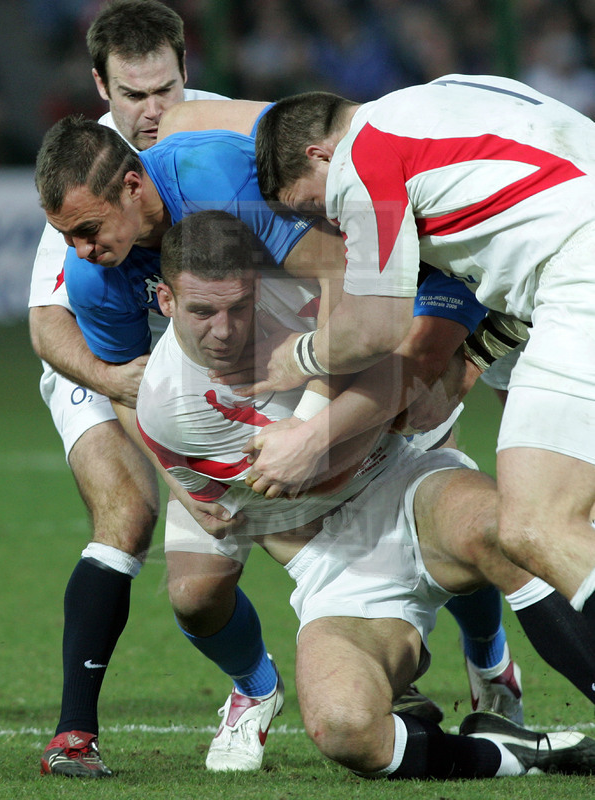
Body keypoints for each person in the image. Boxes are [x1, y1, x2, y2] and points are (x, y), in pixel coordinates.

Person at [34, 105, 546, 727]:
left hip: (358, 334)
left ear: (133, 186)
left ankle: (489, 661)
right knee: (194, 593)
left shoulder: (214, 178)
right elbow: (128, 385)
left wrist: (310, 423)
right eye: (67, 237)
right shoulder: (92, 277)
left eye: (88, 229)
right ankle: (262, 688)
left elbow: (342, 275)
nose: (81, 251)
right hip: (238, 391)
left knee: (443, 481)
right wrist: (178, 481)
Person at [135, 209, 595, 781]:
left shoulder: (314, 290)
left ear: (260, 286)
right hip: (330, 559)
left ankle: (493, 661)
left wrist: (408, 388)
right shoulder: (168, 408)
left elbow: (430, 309)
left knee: (510, 533)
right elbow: (263, 508)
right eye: (203, 312)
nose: (224, 331)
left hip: (406, 484)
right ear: (166, 301)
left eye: (239, 307)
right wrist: (357, 428)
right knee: (344, 728)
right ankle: (516, 757)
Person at [29, 0, 283, 779]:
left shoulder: (224, 141)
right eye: (132, 95)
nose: (150, 110)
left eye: (164, 90)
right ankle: (77, 732)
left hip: (239, 350)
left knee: (392, 471)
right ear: (100, 87)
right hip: (108, 361)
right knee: (130, 514)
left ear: (185, 71)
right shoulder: (84, 187)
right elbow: (48, 324)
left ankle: (471, 668)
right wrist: (118, 384)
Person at [247, 76, 595, 624]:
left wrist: (297, 357)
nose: (328, 222)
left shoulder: (362, 156)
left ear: (320, 155)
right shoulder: (452, 94)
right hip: (572, 266)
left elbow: (374, 327)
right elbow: (525, 238)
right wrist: (474, 357)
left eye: (312, 205)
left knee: (535, 524)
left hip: (580, 275)